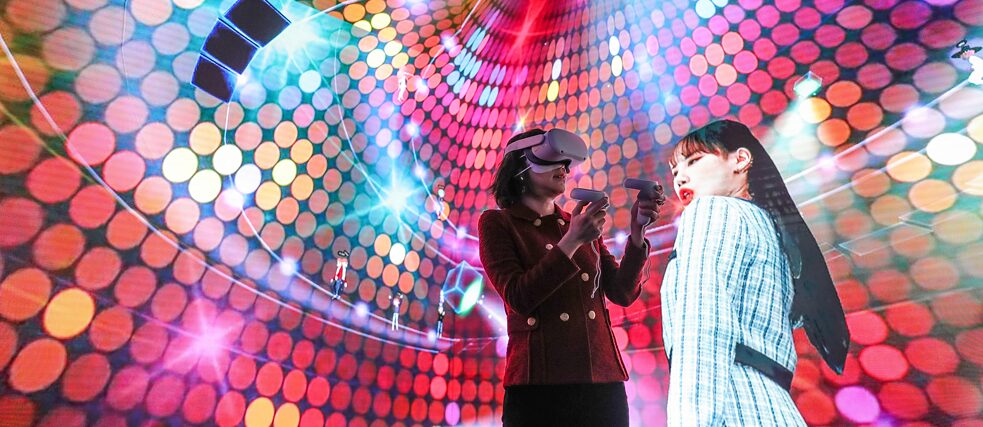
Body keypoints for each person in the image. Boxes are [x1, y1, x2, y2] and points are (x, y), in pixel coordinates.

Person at [661, 120, 849, 426]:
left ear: (741, 160)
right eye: (674, 171)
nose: (681, 177)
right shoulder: (774, 232)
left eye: (694, 161)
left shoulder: (710, 212)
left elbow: (702, 324)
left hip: (731, 405)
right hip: (775, 409)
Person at [477, 128, 664, 427]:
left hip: (601, 382)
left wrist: (638, 232)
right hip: (540, 385)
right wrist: (572, 241)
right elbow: (519, 297)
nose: (564, 169)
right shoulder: (498, 223)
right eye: (554, 161)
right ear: (522, 167)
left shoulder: (575, 223)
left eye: (567, 164)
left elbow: (622, 292)